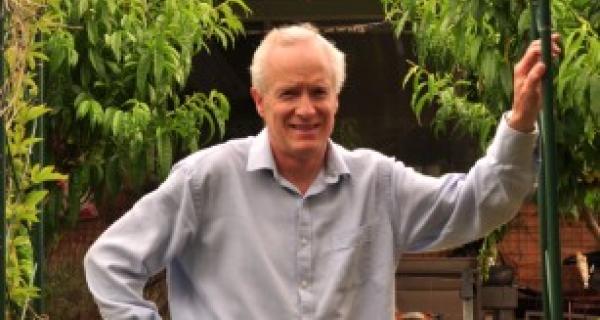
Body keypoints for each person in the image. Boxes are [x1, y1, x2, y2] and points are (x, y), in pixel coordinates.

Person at [84, 24, 561, 319]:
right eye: (289, 93)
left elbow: (479, 205)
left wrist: (520, 120)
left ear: (337, 98)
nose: (305, 109)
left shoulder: (377, 183)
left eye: (318, 92)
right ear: (260, 101)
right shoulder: (206, 181)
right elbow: (110, 262)